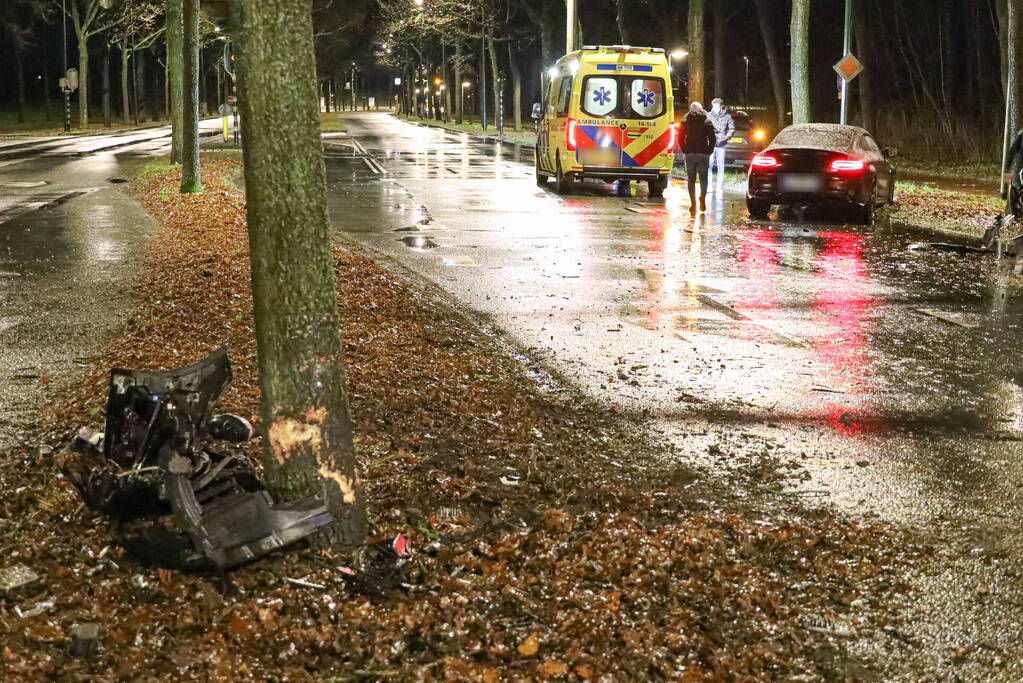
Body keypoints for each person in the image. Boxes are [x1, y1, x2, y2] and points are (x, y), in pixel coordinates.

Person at [680, 102, 717, 214]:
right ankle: (702, 198)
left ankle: (693, 203)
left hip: (690, 154)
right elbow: (712, 139)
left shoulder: (685, 121)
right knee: (703, 179)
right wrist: (708, 151)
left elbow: (680, 138)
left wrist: (685, 150)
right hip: (703, 154)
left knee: (691, 180)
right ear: (701, 109)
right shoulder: (707, 121)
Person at [707, 98, 735, 188]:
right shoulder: (708, 115)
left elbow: (732, 129)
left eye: (717, 106)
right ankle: (709, 183)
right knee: (709, 164)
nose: (715, 108)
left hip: (722, 144)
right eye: (714, 106)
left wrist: (726, 138)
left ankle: (719, 185)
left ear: (721, 107)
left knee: (720, 164)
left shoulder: (727, 116)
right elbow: (703, 128)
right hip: (710, 144)